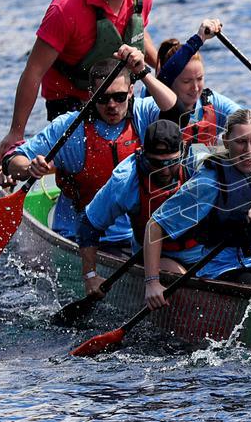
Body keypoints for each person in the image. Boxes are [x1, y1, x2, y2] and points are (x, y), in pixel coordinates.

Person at [0, 0, 160, 163]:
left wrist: (166, 69)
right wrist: (16, 133)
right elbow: (34, 71)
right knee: (89, 162)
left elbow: (137, 33)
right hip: (70, 101)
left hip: (118, 96)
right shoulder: (66, 8)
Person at [0, 52, 163, 248]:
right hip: (78, 236)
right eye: (103, 98)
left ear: (130, 91)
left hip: (135, 236)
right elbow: (11, 160)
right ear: (91, 94)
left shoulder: (143, 113)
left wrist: (144, 71)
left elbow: (177, 108)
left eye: (119, 97)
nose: (112, 105)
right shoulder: (69, 127)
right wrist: (28, 169)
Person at [142, 109, 251, 309]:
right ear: (226, 141)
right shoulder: (209, 182)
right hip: (228, 266)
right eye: (240, 142)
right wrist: (152, 282)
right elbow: (155, 225)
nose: (248, 150)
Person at [76, 120, 206, 297]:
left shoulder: (201, 167)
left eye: (171, 162)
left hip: (204, 252)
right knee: (181, 283)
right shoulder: (126, 180)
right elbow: (89, 225)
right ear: (143, 153)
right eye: (156, 163)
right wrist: (90, 276)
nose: (165, 171)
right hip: (159, 258)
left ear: (183, 151)